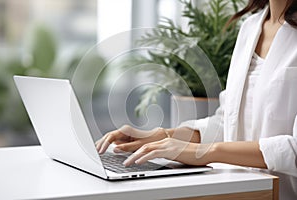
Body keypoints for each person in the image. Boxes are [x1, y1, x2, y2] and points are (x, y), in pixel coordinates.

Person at [96, 0, 297, 177]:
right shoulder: (249, 28)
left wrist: (205, 152)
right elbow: (227, 122)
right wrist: (160, 136)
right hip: (239, 187)